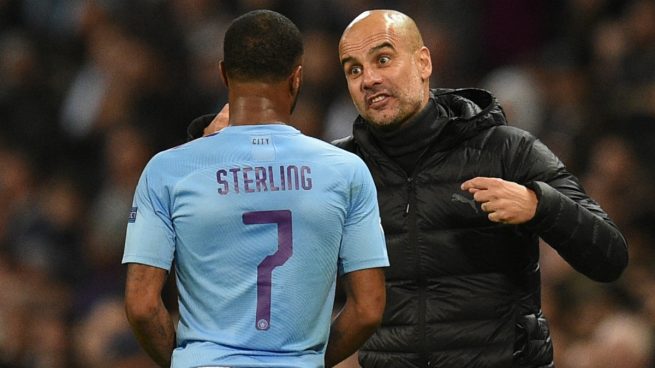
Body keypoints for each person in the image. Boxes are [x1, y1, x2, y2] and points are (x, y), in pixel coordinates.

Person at [194, 8, 630, 368]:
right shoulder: (337, 170)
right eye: (353, 69)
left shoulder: (506, 149)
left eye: (383, 59)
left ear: (423, 62)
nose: (368, 79)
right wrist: (217, 151)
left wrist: (540, 204)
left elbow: (610, 256)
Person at [122, 10, 389, 368]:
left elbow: (141, 305)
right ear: (297, 78)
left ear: (222, 74)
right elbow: (368, 309)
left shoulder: (167, 170)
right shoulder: (347, 171)